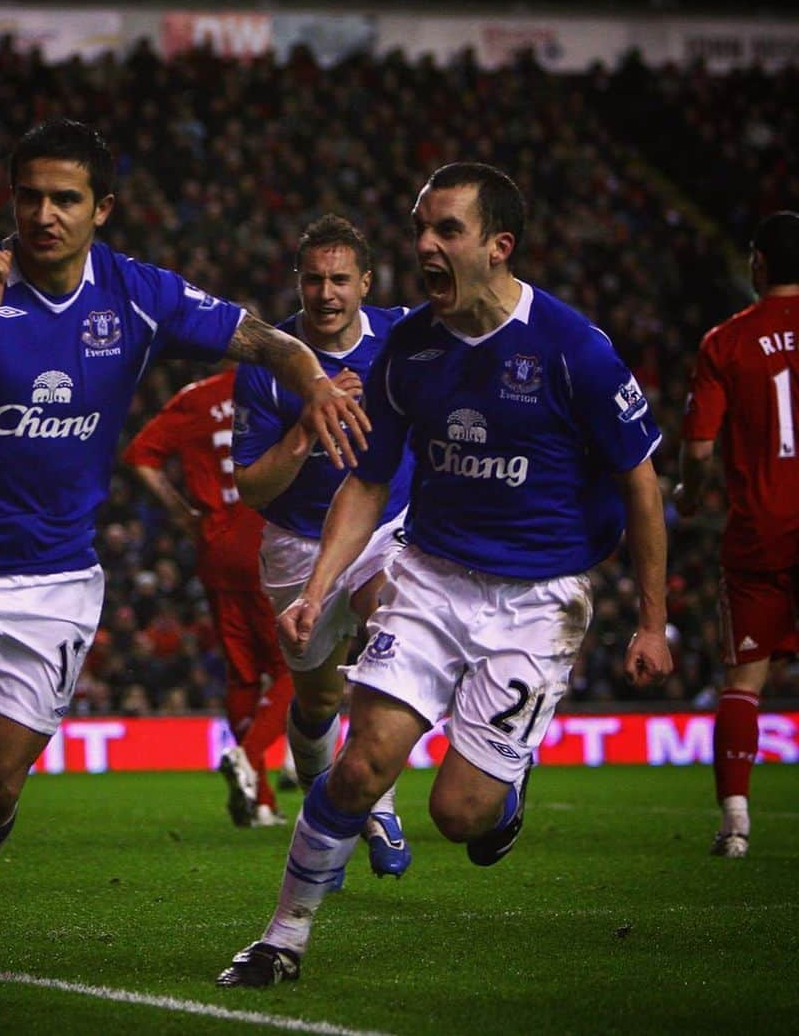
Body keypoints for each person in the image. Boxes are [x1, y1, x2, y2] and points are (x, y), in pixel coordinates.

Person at [0, 119, 369, 993]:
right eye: (29, 196)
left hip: (56, 577)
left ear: (102, 207)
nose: (44, 214)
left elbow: (269, 339)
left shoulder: (136, 294)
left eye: (66, 198)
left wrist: (317, 381)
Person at [218, 162, 671, 988]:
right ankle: (282, 936)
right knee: (359, 766)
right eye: (422, 227)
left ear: (499, 247)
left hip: (538, 599)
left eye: (447, 230)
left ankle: (509, 774)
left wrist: (650, 619)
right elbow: (365, 479)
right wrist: (317, 589)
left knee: (460, 815)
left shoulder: (574, 349)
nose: (426, 244)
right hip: (429, 574)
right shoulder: (411, 350)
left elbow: (641, 479)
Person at [231, 214, 414, 879]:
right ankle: (324, 815)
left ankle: (380, 804)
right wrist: (308, 425)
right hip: (297, 546)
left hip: (385, 529)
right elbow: (251, 488)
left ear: (367, 282)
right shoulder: (269, 359)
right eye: (314, 278)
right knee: (314, 703)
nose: (327, 292)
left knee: (390, 631)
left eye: (341, 278)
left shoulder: (402, 336)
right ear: (298, 282)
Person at [675, 210, 799, 859]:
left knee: (743, 682)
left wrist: (688, 498)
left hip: (761, 533)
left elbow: (697, 451)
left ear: (757, 263)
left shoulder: (727, 341)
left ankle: (735, 823)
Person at [122, 365, 296, 826]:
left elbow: (140, 456)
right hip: (270, 540)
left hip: (216, 544)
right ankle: (249, 754)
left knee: (242, 676)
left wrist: (183, 515)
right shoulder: (284, 387)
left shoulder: (198, 395)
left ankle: (260, 802)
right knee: (291, 669)